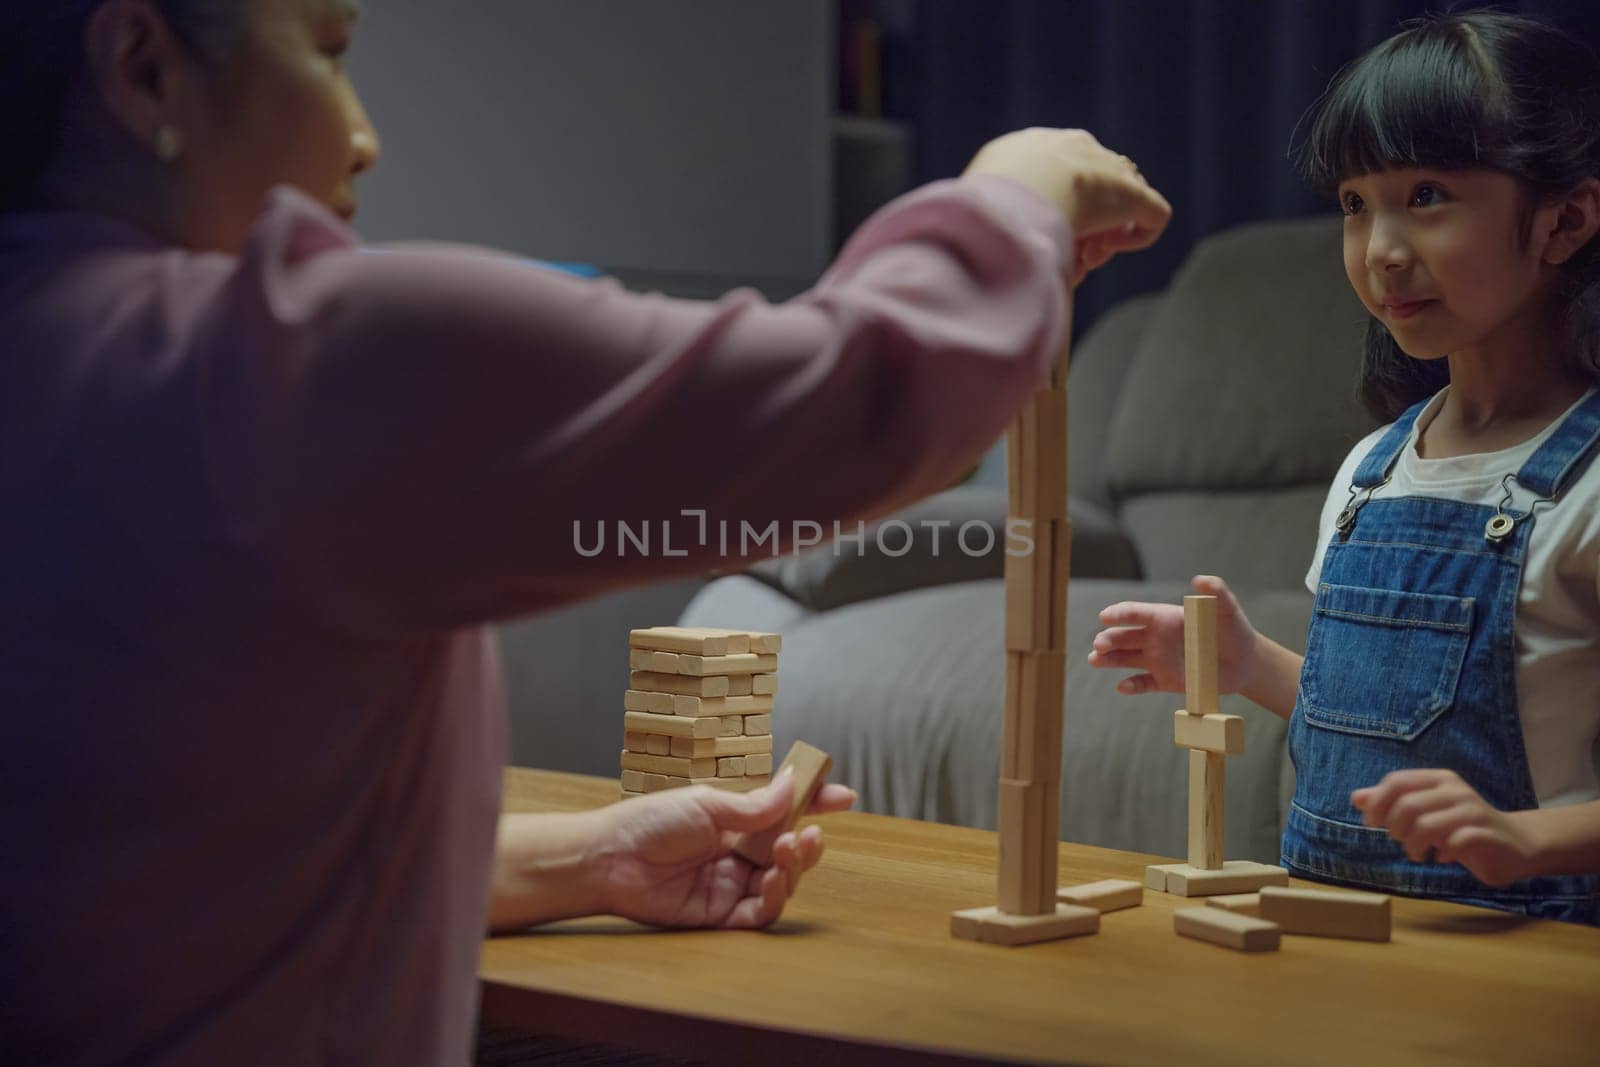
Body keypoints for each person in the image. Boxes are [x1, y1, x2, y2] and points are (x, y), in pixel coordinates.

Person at [0, 1, 1171, 1063]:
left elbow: (183, 863)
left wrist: (586, 858)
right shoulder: (282, 358)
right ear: (145, 65)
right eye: (329, 48)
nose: (362, 136)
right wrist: (1017, 186)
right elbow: (861, 398)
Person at [1088, 10, 1600, 924]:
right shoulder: (1372, 470)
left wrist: (1526, 839)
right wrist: (1245, 663)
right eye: (1356, 205)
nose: (1383, 252)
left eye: (1429, 195)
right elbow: (1360, 714)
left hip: (1532, 965)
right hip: (1333, 940)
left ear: (1566, 220)